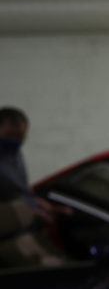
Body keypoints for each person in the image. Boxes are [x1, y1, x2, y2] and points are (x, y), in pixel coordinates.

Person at [0, 106, 62, 267]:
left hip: (25, 229)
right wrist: (30, 210)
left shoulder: (14, 154)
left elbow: (22, 190)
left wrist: (45, 206)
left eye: (20, 136)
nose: (15, 141)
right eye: (10, 135)